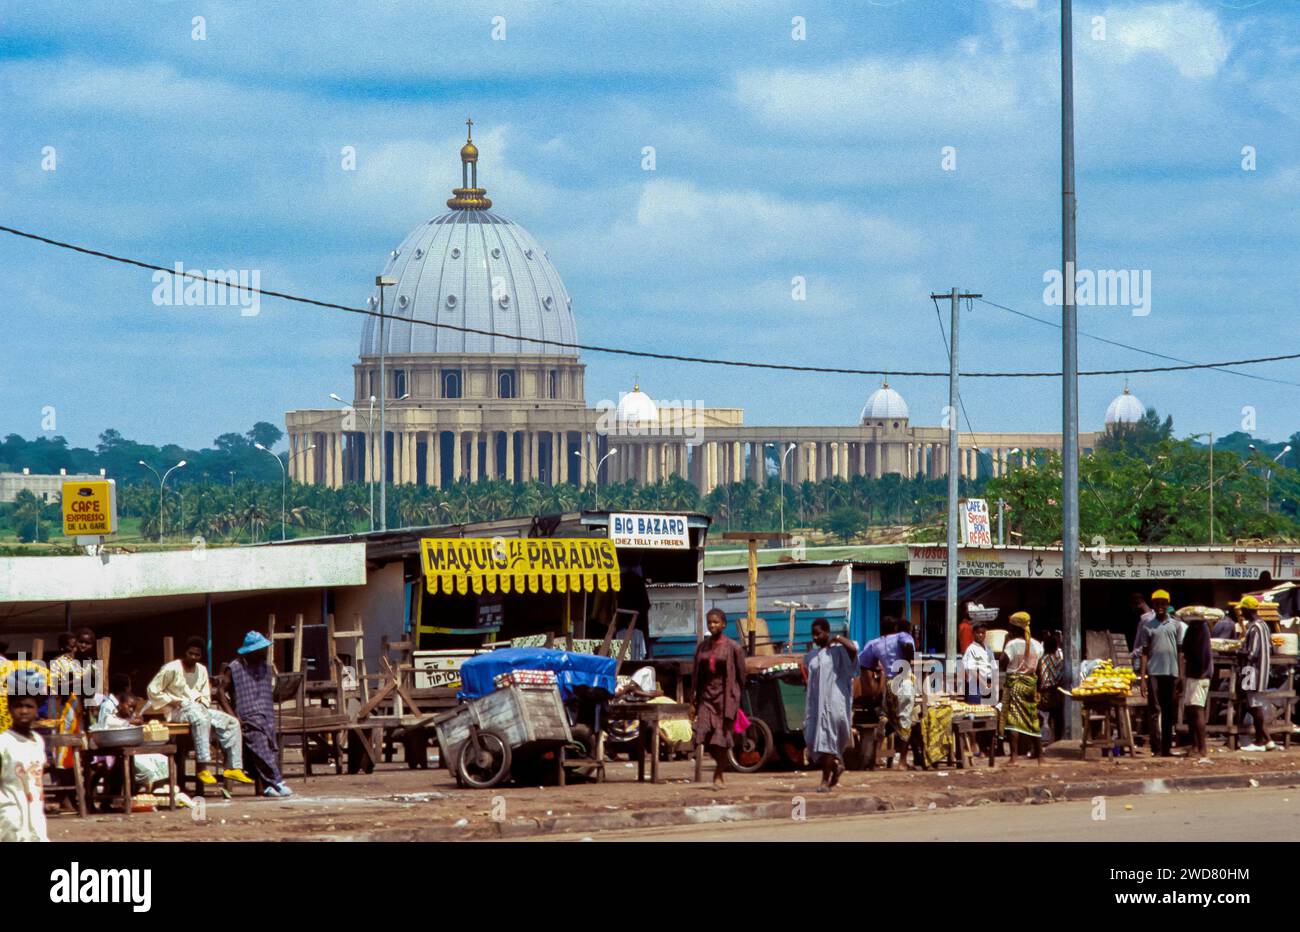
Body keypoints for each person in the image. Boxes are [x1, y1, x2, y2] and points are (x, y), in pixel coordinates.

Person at [148, 637, 253, 786]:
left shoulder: (202, 670)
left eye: (197, 655)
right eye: (191, 653)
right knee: (201, 718)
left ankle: (233, 767)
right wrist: (173, 700)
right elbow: (153, 690)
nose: (193, 657)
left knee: (232, 722)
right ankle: (203, 767)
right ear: (185, 652)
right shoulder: (171, 668)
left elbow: (205, 695)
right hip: (178, 711)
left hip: (198, 709)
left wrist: (201, 704)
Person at [220, 631, 291, 797]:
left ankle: (266, 786)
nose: (263, 652)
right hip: (247, 716)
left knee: (271, 748)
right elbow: (220, 692)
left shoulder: (265, 667)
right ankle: (276, 780)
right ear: (250, 651)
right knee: (259, 746)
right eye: (259, 649)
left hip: (266, 716)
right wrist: (233, 716)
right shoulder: (235, 668)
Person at [691, 609, 746, 787]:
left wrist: (735, 697)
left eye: (715, 622)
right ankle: (719, 764)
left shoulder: (733, 647)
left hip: (725, 698)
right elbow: (696, 674)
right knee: (703, 734)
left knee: (720, 738)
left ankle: (719, 773)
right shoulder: (702, 647)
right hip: (706, 697)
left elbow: (740, 675)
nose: (712, 625)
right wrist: (694, 699)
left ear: (723, 624)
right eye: (710, 622)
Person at [803, 618, 858, 792]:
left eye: (818, 633)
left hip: (835, 704)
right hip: (816, 706)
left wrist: (838, 639)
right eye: (813, 634)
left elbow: (853, 649)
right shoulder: (812, 656)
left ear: (827, 632)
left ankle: (825, 781)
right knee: (813, 743)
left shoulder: (839, 652)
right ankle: (836, 766)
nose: (815, 637)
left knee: (827, 742)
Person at [93, 674, 170, 796]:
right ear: (126, 688)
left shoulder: (126, 707)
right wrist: (129, 721)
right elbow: (107, 723)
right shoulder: (108, 705)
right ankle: (129, 794)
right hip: (109, 747)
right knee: (144, 769)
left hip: (127, 745)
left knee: (162, 761)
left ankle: (148, 792)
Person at [0, 668, 48, 842]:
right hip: (9, 820)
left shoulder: (38, 741)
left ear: (37, 710)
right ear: (10, 708)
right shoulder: (3, 743)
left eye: (29, 706)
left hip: (35, 816)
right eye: (18, 706)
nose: (24, 711)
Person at [1138, 590, 1185, 757]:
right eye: (1157, 604)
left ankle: (1166, 748)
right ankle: (1156, 747)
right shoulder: (1147, 627)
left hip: (1171, 673)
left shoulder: (1176, 625)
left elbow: (1180, 652)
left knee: (1168, 711)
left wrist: (1181, 675)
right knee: (1154, 711)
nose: (1160, 607)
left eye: (1163, 604)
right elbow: (1144, 653)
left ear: (1168, 605)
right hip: (1154, 673)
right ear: (1153, 606)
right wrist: (1143, 678)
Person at [1000, 611, 1043, 765]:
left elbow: (1003, 663)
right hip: (1031, 684)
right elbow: (1039, 670)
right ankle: (1041, 757)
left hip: (1016, 685)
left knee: (1013, 720)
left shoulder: (1012, 645)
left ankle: (1014, 757)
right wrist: (1038, 690)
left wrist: (1005, 644)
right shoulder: (1037, 645)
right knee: (1033, 720)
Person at [1239, 602, 1276, 752]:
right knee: (1252, 703)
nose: (1241, 613)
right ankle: (1265, 739)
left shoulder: (1255, 627)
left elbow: (1252, 653)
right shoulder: (1264, 625)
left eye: (1242, 610)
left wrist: (1237, 651)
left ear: (1248, 610)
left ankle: (1264, 740)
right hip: (1261, 670)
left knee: (1254, 705)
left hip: (1252, 671)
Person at [1179, 608, 1214, 760]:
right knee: (1191, 710)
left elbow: (1199, 653)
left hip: (1200, 675)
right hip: (1193, 674)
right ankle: (1195, 745)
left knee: (1197, 709)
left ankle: (1202, 748)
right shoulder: (1194, 629)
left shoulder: (1201, 629)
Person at [884, 640, 919, 769]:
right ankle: (902, 762)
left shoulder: (894, 669)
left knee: (910, 721)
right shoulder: (906, 678)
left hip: (891, 710)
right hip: (898, 709)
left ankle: (909, 759)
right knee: (907, 723)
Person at [1037, 630, 1066, 743]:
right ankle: (1057, 740)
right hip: (1056, 693)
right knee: (1057, 717)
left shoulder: (1041, 660)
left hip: (1044, 693)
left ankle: (1040, 740)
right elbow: (1061, 677)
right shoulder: (1060, 660)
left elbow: (1038, 676)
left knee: (1042, 716)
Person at [961, 623, 995, 706]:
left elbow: (993, 666)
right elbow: (972, 670)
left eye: (983, 633)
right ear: (973, 634)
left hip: (987, 683)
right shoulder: (971, 649)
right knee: (976, 711)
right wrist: (984, 683)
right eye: (978, 633)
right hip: (976, 685)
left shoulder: (988, 649)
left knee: (987, 711)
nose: (980, 635)